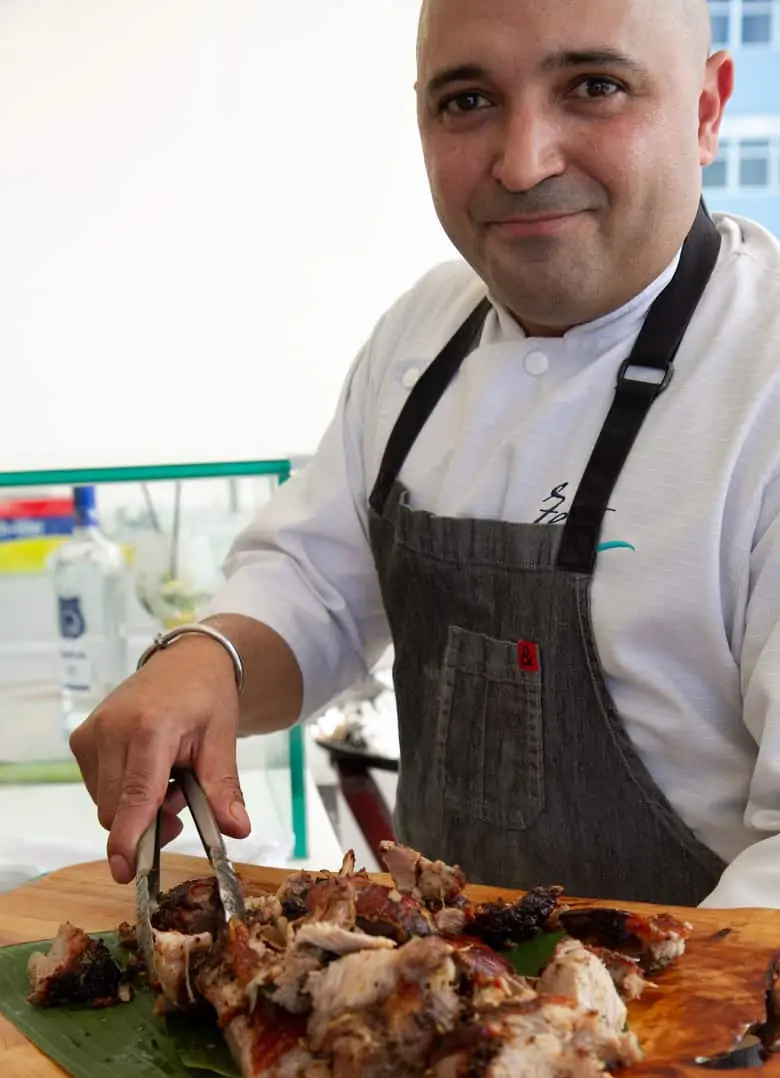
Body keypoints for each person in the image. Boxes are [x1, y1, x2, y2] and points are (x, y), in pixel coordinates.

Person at [71, 0, 780, 909]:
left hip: (702, 1031)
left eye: (595, 88)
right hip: (433, 1009)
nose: (524, 163)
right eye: (468, 101)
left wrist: (598, 1036)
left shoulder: (759, 377)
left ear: (707, 111)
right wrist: (206, 659)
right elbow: (316, 587)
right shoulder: (424, 332)